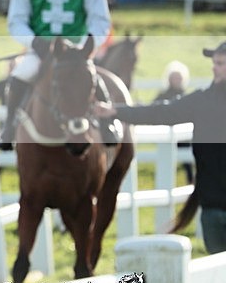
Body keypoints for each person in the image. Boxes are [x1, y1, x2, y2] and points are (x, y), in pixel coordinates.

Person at [0, 0, 118, 151]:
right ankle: (9, 127)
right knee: (20, 75)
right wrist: (36, 43)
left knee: (94, 78)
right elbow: (16, 21)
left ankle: (108, 125)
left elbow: (100, 22)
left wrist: (86, 46)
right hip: (41, 51)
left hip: (76, 52)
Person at [95, 42, 226, 255]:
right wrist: (116, 112)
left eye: (220, 63)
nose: (214, 68)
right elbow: (160, 113)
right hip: (212, 207)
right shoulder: (202, 101)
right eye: (214, 63)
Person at [154, 60, 194, 184]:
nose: (176, 80)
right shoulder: (163, 95)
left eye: (178, 77)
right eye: (174, 77)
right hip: (165, 133)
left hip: (182, 136)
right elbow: (153, 109)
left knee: (186, 156)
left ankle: (190, 180)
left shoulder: (186, 96)